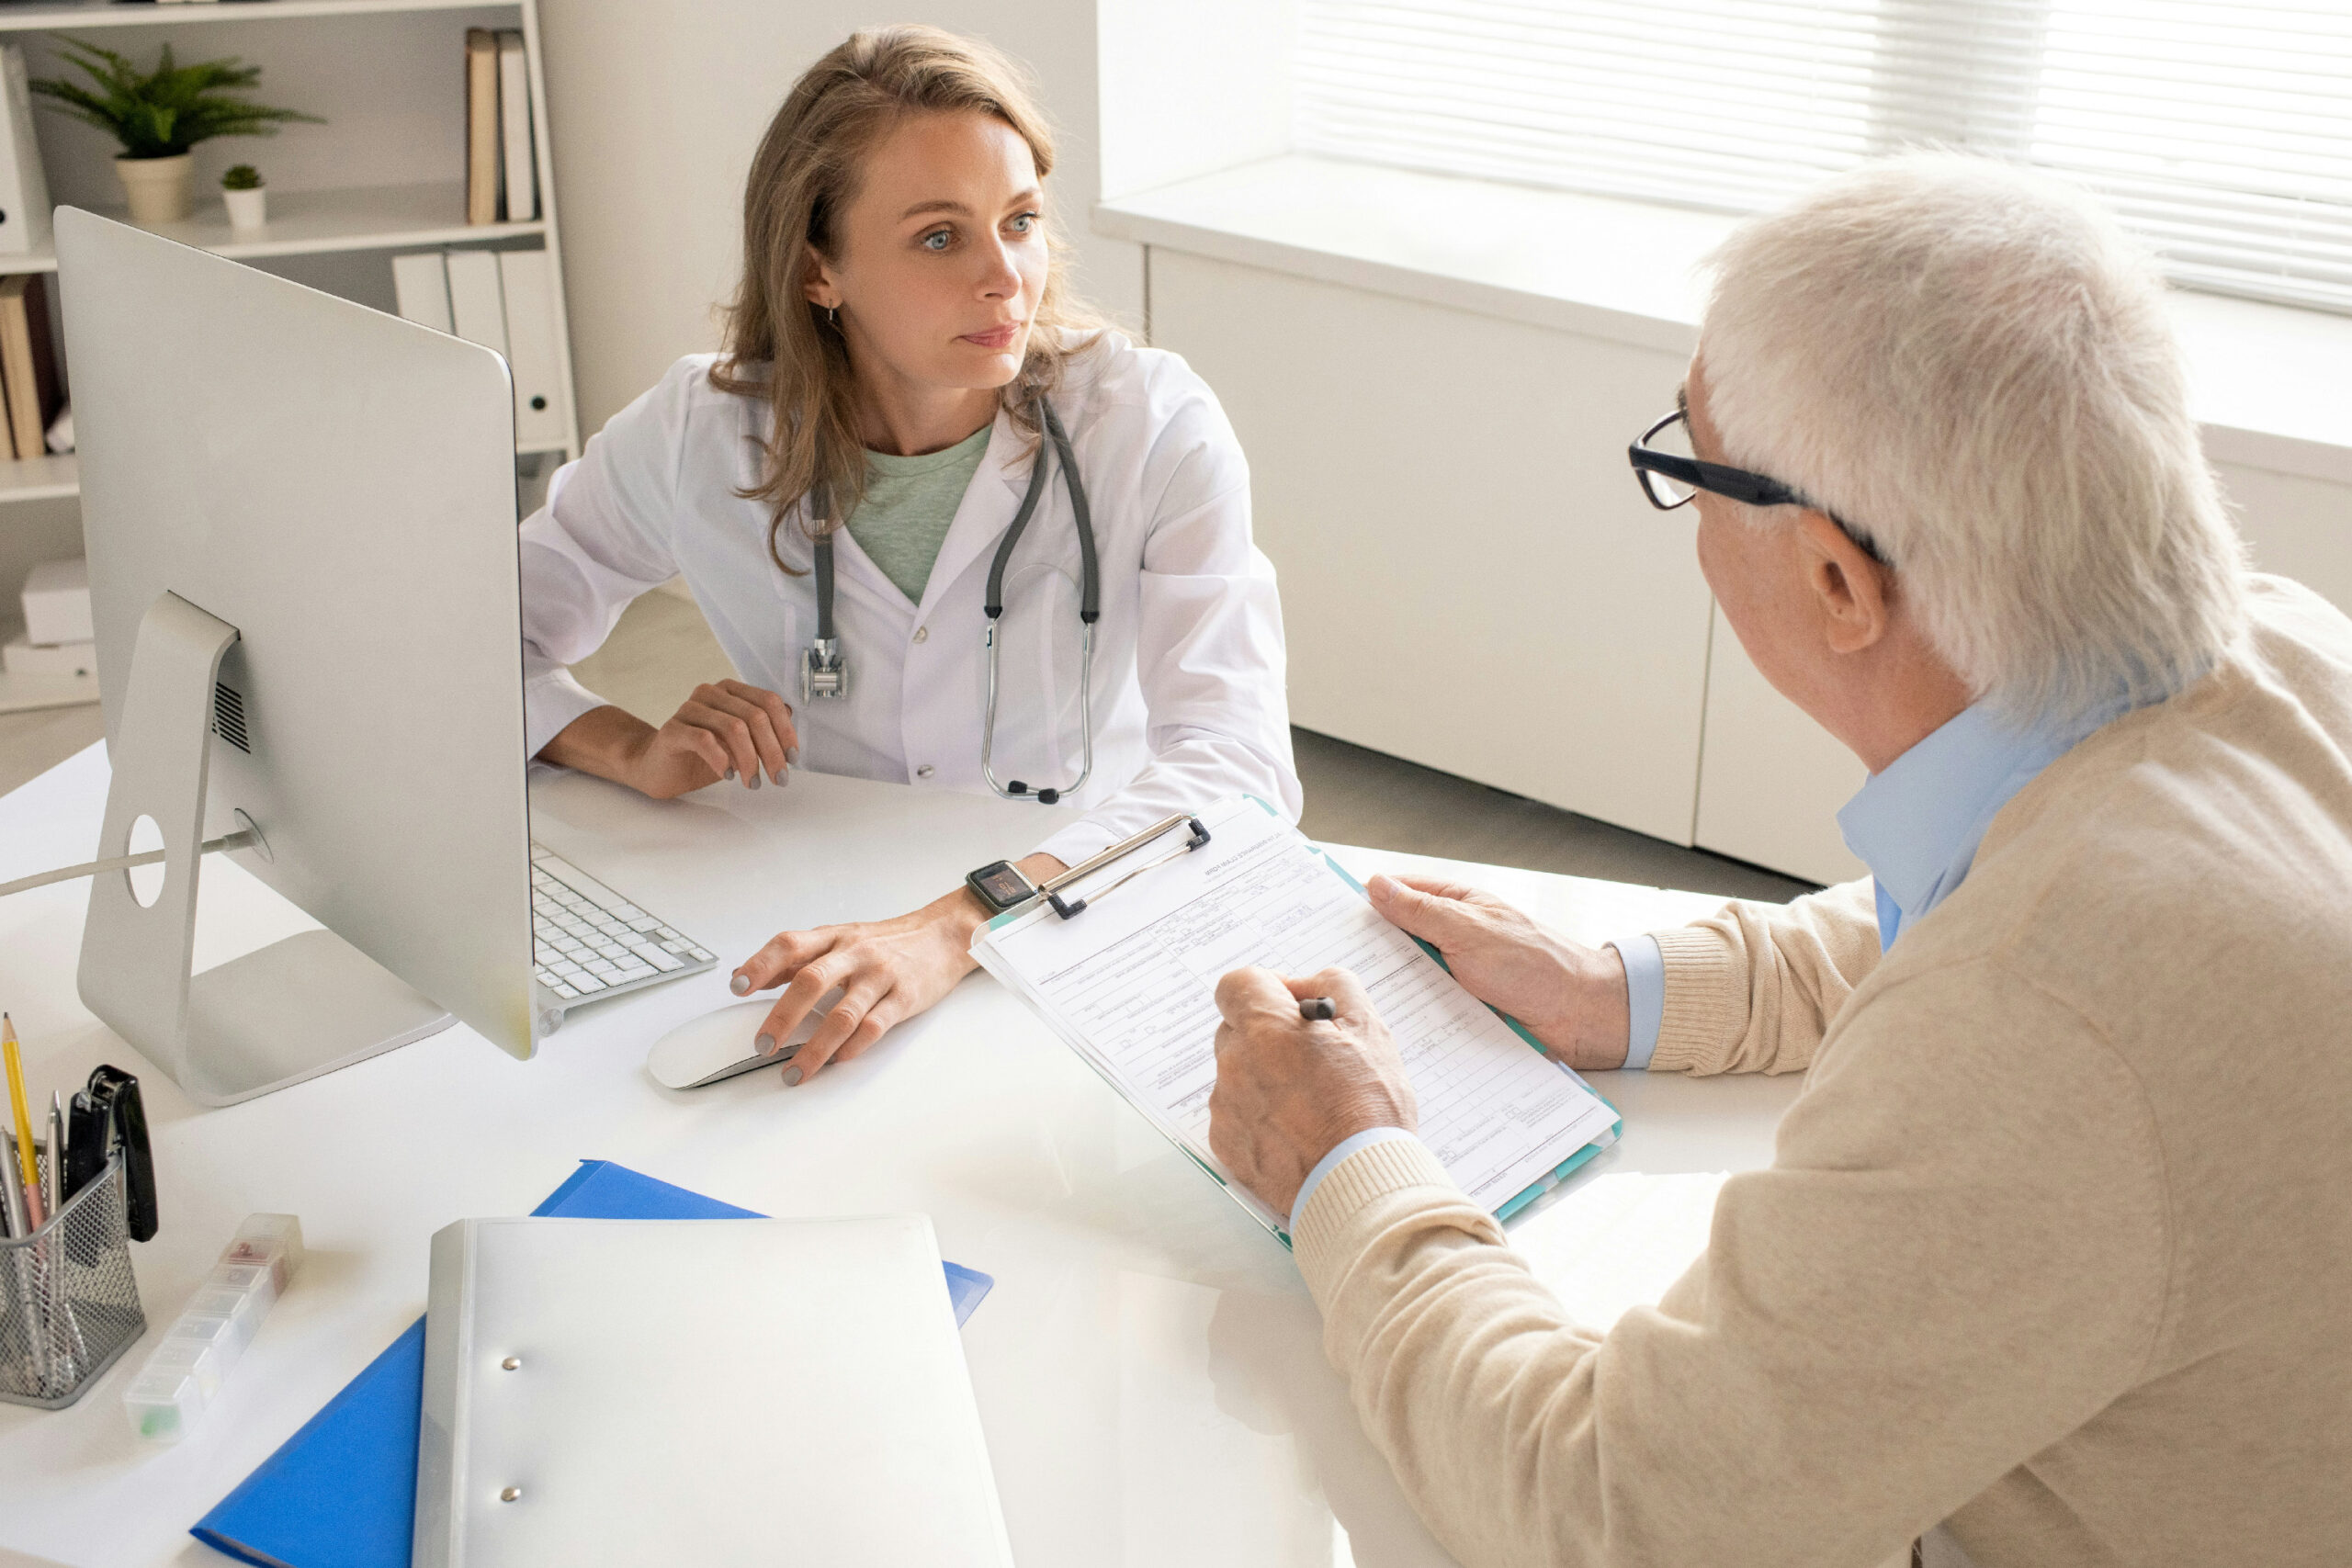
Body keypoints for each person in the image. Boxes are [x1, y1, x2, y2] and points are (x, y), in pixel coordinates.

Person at [1205, 154, 2352, 1567]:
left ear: (1837, 582)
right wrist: (1611, 986)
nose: (1684, 513)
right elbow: (2004, 921)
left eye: (1685, 462)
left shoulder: (2037, 1028)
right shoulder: (2285, 652)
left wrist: (1346, 1162)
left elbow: (1609, 1509)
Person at [519, 27, 1298, 1082]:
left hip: (1080, 909)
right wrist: (626, 749)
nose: (1004, 279)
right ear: (817, 268)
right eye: (940, 238)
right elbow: (477, 635)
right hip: (806, 909)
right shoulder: (703, 429)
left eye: (1018, 222)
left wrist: (957, 925)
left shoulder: (1149, 424)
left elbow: (1237, 768)